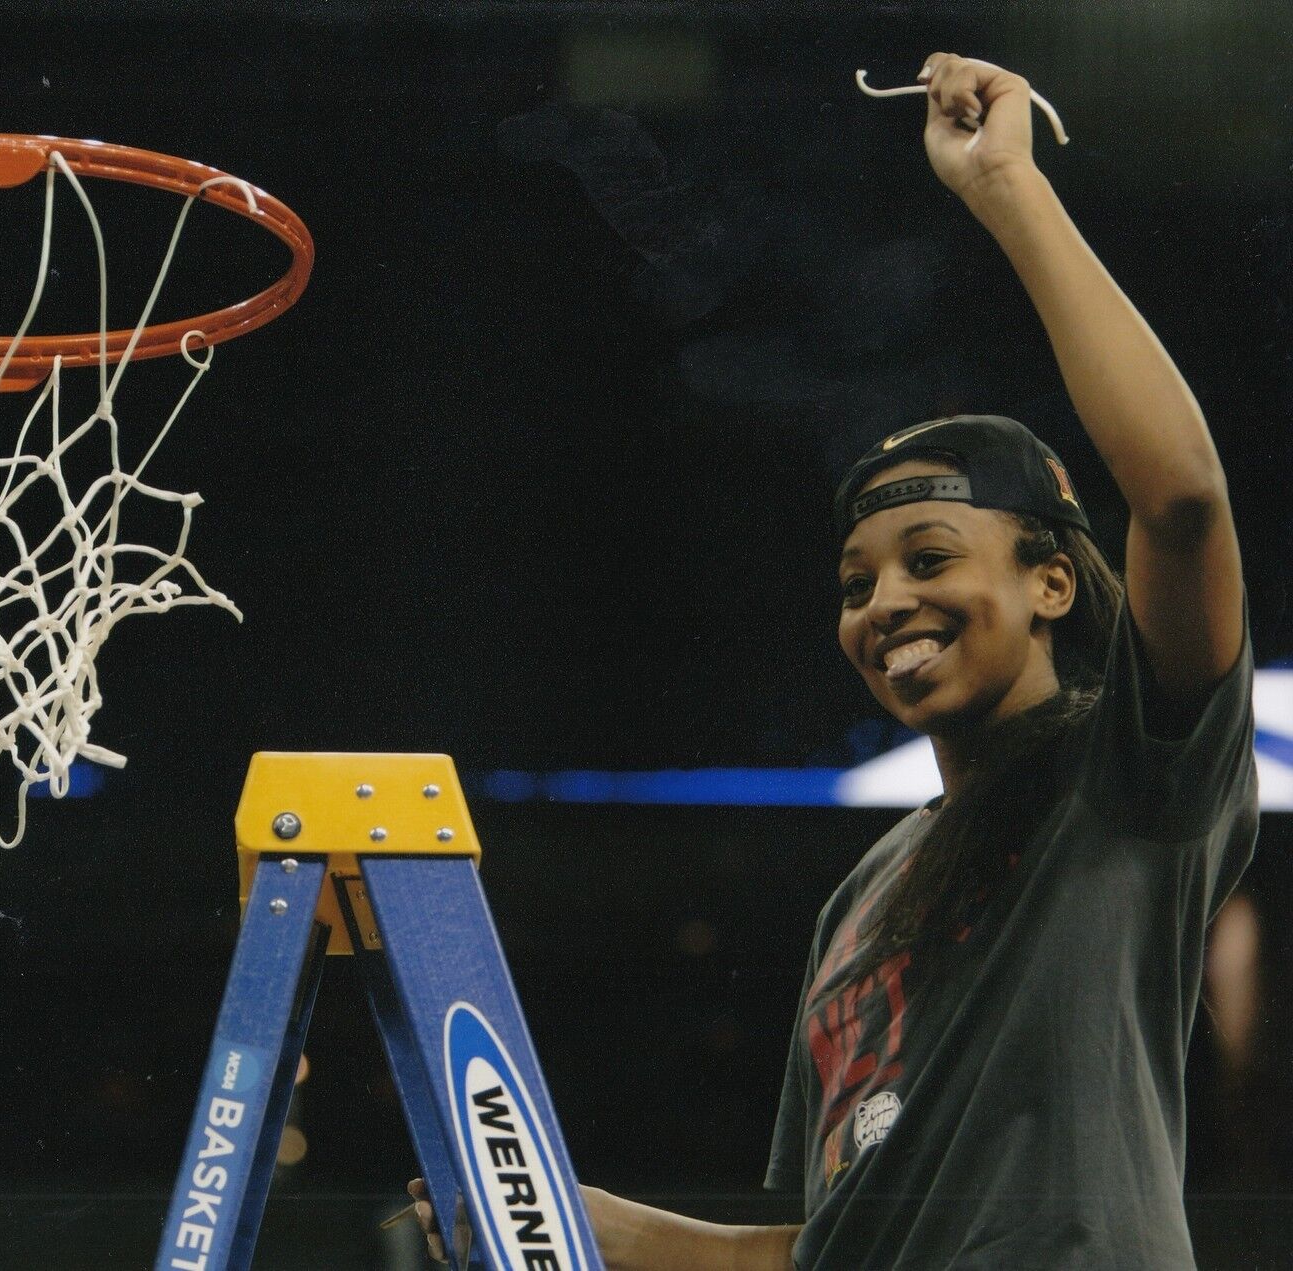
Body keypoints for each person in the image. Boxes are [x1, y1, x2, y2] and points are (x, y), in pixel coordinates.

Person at [408, 51, 1258, 1269]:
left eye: (928, 556)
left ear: (1053, 582)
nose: (884, 603)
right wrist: (592, 1223)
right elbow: (822, 1251)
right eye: (857, 582)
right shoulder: (862, 898)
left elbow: (1179, 500)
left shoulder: (1129, 775)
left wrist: (1007, 189)